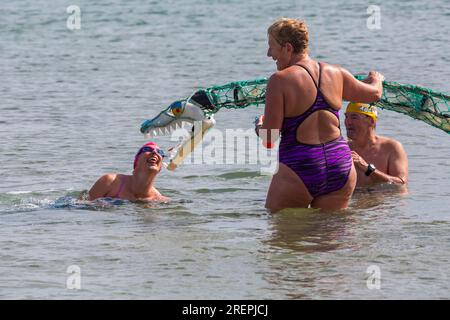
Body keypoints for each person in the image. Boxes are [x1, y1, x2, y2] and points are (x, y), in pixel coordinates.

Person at [255, 18, 384, 212]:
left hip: (300, 165)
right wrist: (376, 79)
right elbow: (374, 94)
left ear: (288, 48)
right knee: (329, 236)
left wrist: (258, 125)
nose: (268, 54)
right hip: (340, 164)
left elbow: (269, 139)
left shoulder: (279, 81)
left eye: (271, 47)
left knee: (281, 236)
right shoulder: (336, 73)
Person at [344, 102, 408, 187]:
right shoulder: (343, 149)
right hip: (353, 199)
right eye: (346, 117)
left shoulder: (391, 147)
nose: (348, 122)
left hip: (383, 199)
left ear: (371, 121)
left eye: (354, 117)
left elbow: (401, 183)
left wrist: (368, 169)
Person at [88, 142, 169, 202]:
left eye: (160, 152)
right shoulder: (110, 182)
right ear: (136, 162)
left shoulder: (159, 199)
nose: (154, 152)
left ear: (160, 167)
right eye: (147, 149)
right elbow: (82, 204)